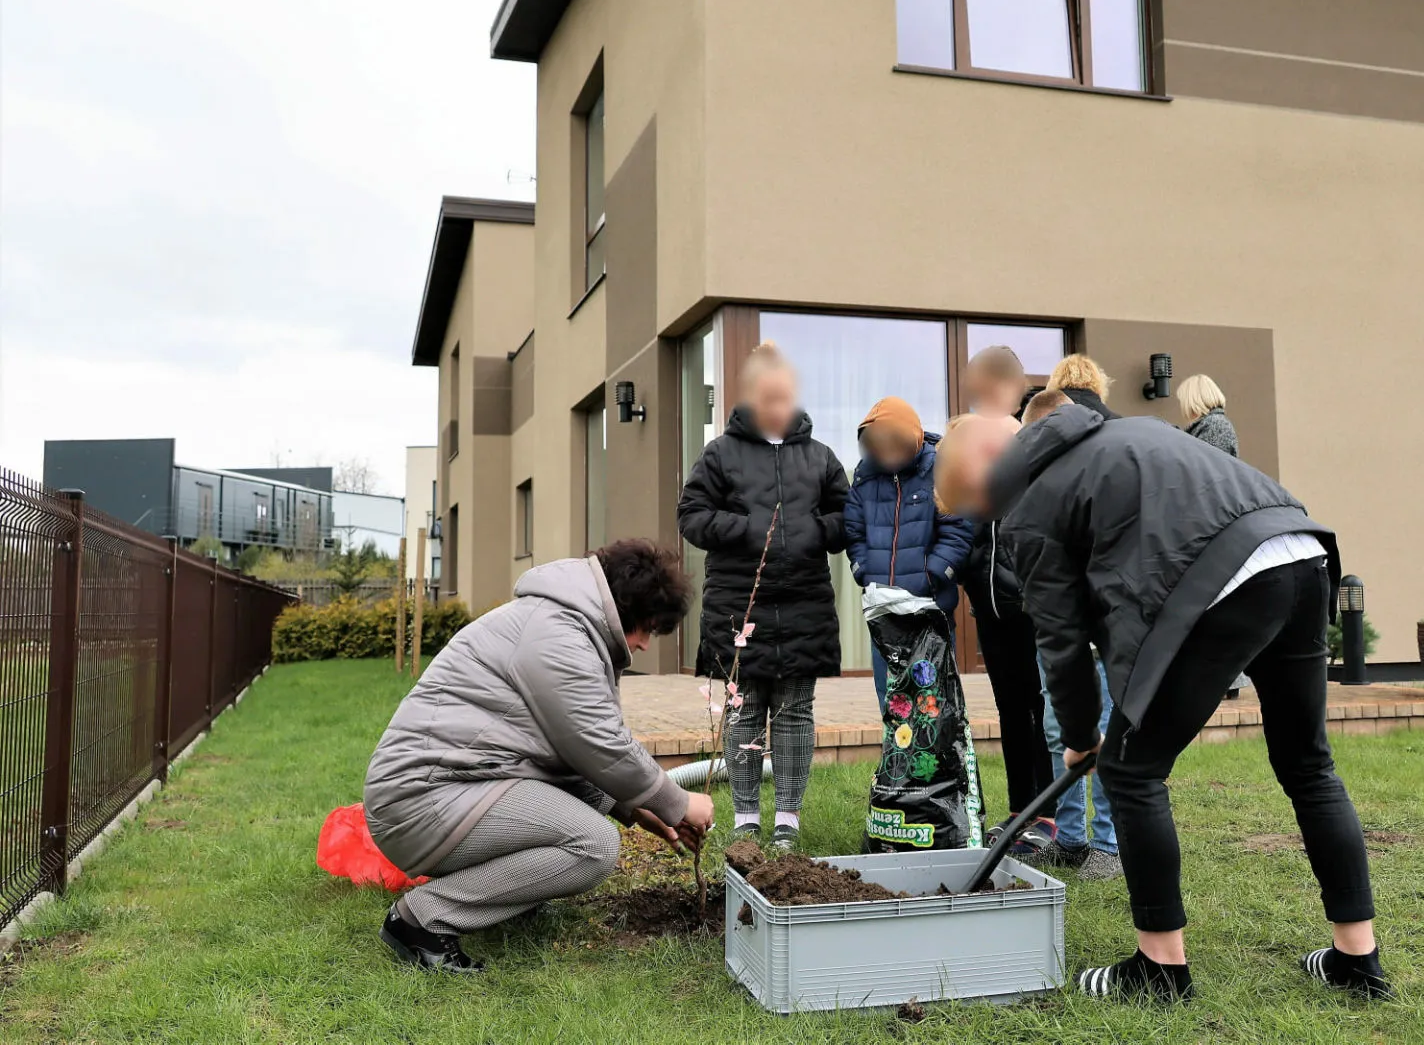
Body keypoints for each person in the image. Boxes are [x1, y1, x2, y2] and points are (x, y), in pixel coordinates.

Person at [934, 408, 1387, 1004]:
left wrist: (1079, 736)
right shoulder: (1124, 432)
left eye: (972, 502)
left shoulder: (1032, 505)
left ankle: (1160, 970)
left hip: (1225, 575)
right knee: (1308, 764)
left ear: (989, 462)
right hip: (1301, 551)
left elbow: (1061, 642)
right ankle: (1357, 959)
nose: (984, 519)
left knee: (1130, 771)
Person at [364, 540, 710, 974]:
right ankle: (421, 919)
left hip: (450, 789)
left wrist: (632, 807)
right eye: (649, 629)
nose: (643, 645)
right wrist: (678, 801)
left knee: (587, 821)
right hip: (421, 802)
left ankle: (503, 899)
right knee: (593, 846)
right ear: (628, 609)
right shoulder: (557, 635)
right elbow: (600, 742)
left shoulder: (559, 623)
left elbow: (565, 751)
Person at [677, 342, 848, 851]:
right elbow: (690, 515)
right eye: (767, 397)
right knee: (745, 710)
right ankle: (747, 818)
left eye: (785, 397)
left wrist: (814, 531)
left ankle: (788, 822)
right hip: (737, 604)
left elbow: (846, 518)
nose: (777, 407)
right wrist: (746, 527)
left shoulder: (820, 457)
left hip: (805, 604)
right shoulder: (719, 454)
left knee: (795, 712)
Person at [957, 347, 1059, 860]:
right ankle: (1023, 809)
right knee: (1012, 713)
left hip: (1032, 606)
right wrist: (973, 578)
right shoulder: (972, 443)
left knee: (1042, 711)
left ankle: (1050, 815)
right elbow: (963, 515)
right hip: (991, 606)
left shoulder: (1032, 443)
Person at [1026, 361, 1125, 877]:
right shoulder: (1066, 448)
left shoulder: (1102, 444)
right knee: (1086, 727)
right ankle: (1080, 841)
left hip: (1085, 612)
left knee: (1070, 727)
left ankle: (1101, 843)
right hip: (1085, 611)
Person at [844, 397, 973, 705]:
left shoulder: (941, 468)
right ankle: (897, 756)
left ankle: (934, 756)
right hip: (884, 611)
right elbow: (853, 530)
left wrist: (933, 576)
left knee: (933, 703)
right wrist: (863, 570)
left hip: (930, 609)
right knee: (892, 702)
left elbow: (958, 529)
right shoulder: (865, 475)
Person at [1178, 374, 1240, 457]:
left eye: (1183, 401)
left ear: (1192, 401)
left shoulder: (1215, 425)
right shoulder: (1211, 423)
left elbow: (1204, 464)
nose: (1182, 406)